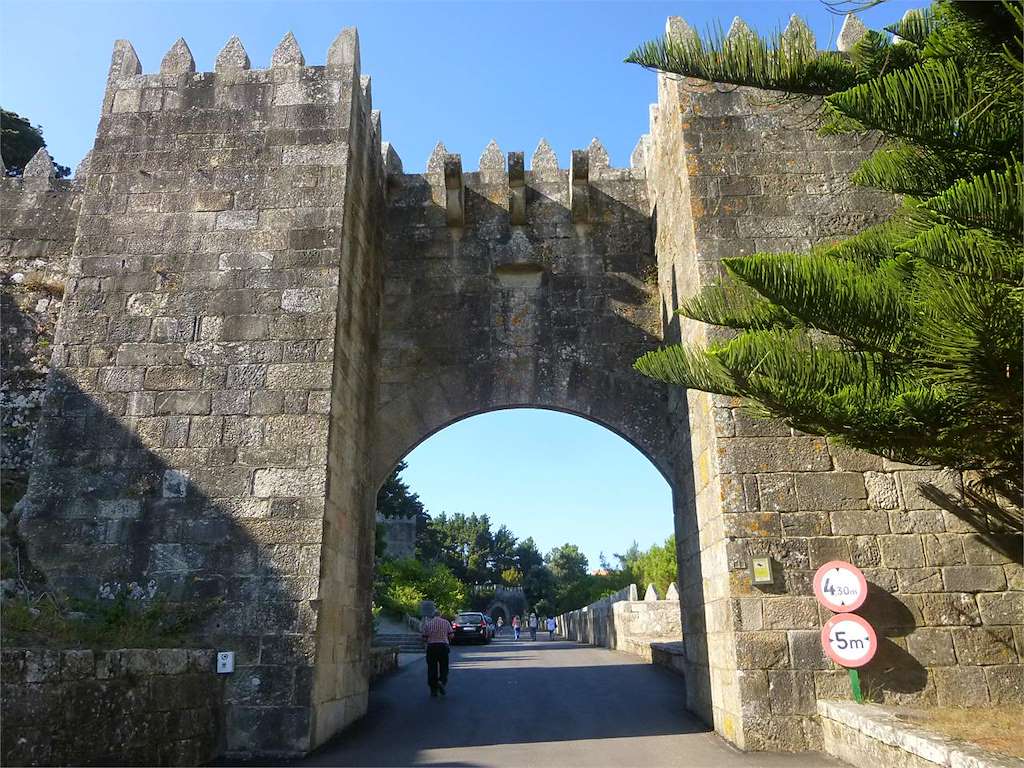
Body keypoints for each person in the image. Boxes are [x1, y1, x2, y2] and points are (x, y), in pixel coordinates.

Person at [420, 608, 454, 697]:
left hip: (431, 647)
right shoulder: (446, 622)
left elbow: (424, 637)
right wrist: (446, 638)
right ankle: (441, 681)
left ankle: (433, 690)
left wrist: (428, 641)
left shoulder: (428, 624)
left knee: (432, 668)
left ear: (433, 615)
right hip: (443, 647)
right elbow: (451, 635)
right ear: (440, 615)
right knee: (444, 666)